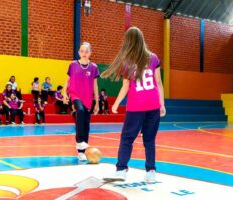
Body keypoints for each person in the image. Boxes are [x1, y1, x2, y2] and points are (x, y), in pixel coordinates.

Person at [101, 27, 166, 183]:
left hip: (136, 107)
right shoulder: (153, 58)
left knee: (127, 138)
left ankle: (121, 170)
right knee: (149, 139)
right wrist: (162, 104)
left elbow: (125, 87)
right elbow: (158, 82)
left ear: (128, 42)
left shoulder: (127, 61)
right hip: (153, 105)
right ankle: (151, 171)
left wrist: (115, 104)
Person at [63, 42, 99, 161]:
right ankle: (79, 141)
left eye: (86, 51)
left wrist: (97, 102)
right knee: (80, 111)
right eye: (82, 51)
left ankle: (82, 152)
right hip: (75, 94)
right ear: (79, 52)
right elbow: (67, 80)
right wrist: (64, 93)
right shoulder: (73, 65)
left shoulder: (93, 67)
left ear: (90, 53)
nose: (84, 53)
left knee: (86, 124)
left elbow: (95, 85)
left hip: (88, 97)